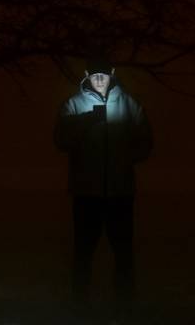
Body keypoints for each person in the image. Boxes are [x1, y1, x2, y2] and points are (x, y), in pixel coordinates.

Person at [54, 57, 153, 309]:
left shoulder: (130, 104)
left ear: (112, 74)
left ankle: (124, 304)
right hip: (87, 193)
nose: (99, 79)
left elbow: (146, 140)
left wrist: (127, 158)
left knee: (123, 253)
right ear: (87, 74)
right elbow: (61, 140)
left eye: (103, 74)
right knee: (83, 253)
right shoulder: (73, 105)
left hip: (120, 193)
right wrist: (84, 122)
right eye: (95, 74)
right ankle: (80, 305)